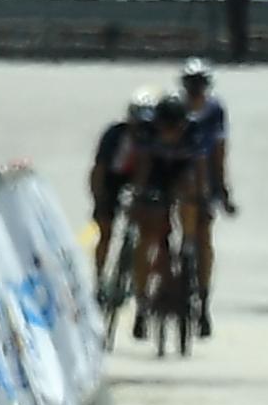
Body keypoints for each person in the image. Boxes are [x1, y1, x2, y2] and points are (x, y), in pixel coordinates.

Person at [120, 85, 210, 338]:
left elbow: (199, 170)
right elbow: (144, 168)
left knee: (190, 201)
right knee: (148, 235)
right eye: (165, 127)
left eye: (174, 128)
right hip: (157, 174)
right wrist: (140, 195)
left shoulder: (193, 132)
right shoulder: (149, 132)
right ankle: (141, 302)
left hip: (183, 172)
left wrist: (200, 198)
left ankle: (188, 245)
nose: (169, 133)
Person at [176, 59, 237, 335]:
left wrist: (222, 189)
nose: (196, 91)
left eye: (200, 86)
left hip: (206, 178)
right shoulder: (174, 109)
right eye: (192, 86)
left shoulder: (215, 110)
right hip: (176, 174)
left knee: (204, 237)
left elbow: (220, 149)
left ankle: (202, 298)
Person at [90, 89, 157, 285]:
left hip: (143, 179)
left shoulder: (156, 136)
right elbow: (99, 169)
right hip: (114, 178)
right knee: (105, 231)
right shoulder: (114, 134)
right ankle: (100, 278)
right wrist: (99, 199)